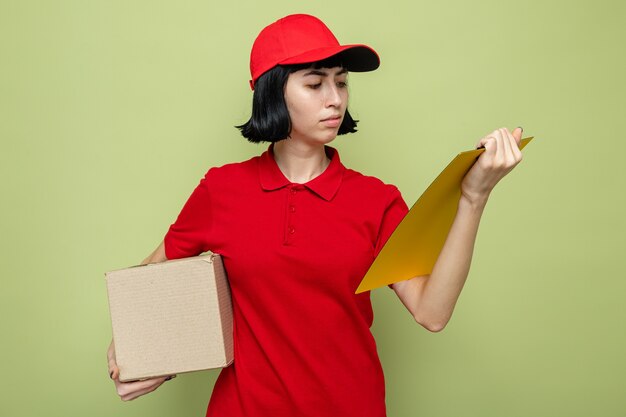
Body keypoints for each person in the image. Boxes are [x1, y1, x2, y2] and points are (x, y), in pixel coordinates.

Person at [107, 13, 523, 416]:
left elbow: (432, 313)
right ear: (272, 93)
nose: (335, 98)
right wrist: (133, 352)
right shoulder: (222, 190)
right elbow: (152, 277)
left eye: (341, 82)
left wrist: (473, 198)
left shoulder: (375, 200)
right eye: (315, 83)